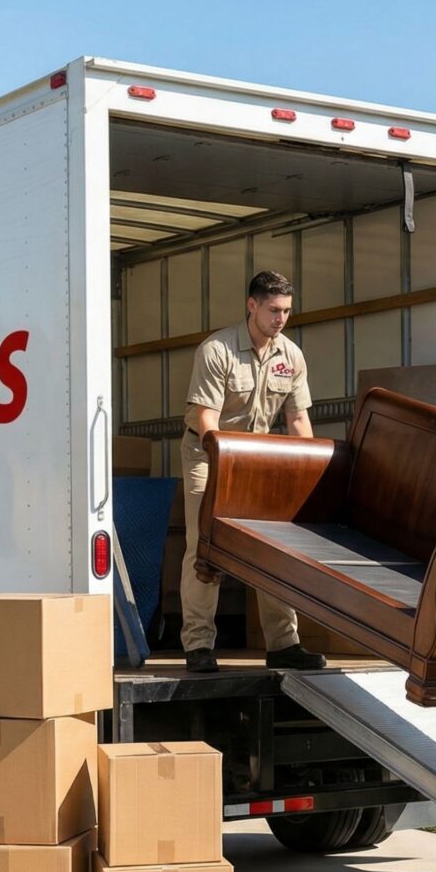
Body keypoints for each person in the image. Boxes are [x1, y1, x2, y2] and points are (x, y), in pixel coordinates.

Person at [179, 270, 326, 674]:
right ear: (252, 306)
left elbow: (298, 420)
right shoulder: (217, 350)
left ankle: (283, 645)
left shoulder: (291, 356)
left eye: (287, 311)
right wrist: (227, 465)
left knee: (274, 548)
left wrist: (309, 475)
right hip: (207, 454)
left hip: (259, 460)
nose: (281, 319)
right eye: (274, 310)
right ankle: (198, 646)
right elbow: (208, 419)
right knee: (203, 546)